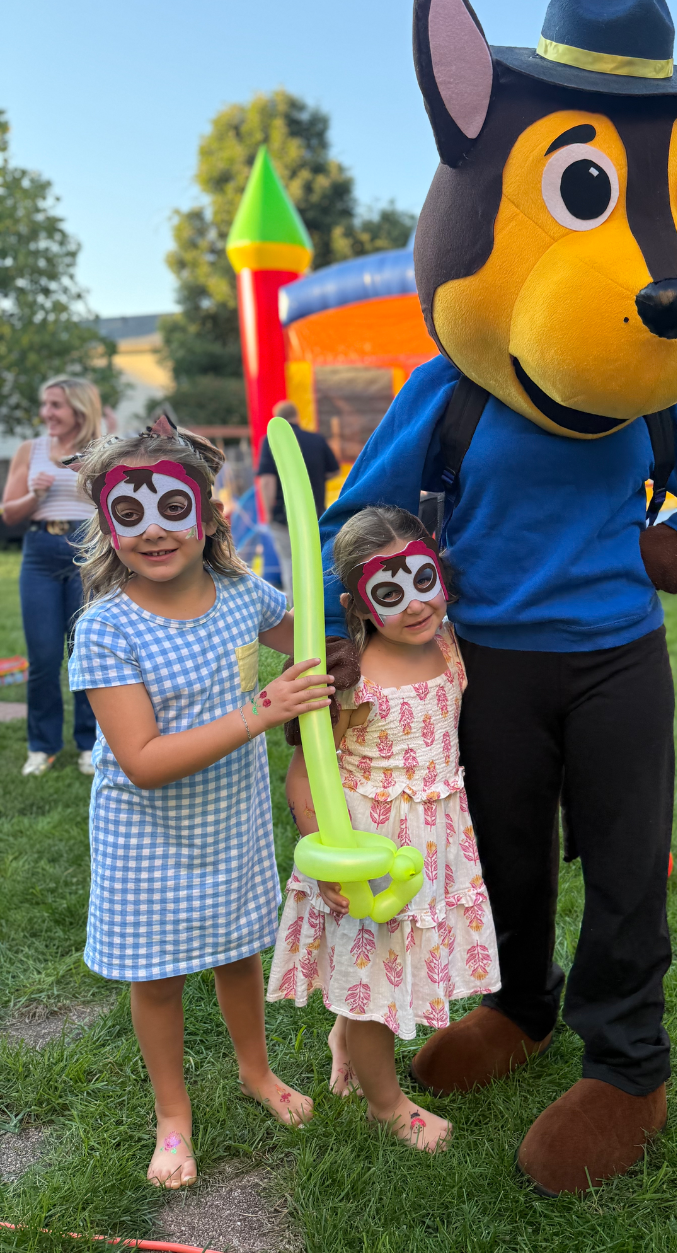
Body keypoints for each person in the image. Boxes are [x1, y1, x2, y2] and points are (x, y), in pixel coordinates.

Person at [66, 416, 334, 1189]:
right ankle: (173, 1116)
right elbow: (143, 761)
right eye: (130, 513)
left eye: (172, 507)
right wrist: (263, 711)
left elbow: (307, 638)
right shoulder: (107, 629)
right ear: (108, 526)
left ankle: (257, 1072)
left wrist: (360, 638)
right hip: (146, 834)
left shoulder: (244, 595)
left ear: (211, 516)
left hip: (230, 820)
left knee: (237, 954)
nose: (153, 530)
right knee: (157, 978)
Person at [267, 504, 500, 1152]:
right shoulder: (348, 678)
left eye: (424, 580)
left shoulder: (450, 645)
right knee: (375, 981)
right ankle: (387, 1106)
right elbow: (303, 778)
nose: (416, 604)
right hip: (369, 852)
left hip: (434, 842)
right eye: (390, 593)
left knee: (379, 970)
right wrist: (329, 860)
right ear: (357, 604)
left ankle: (345, 1037)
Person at [1, 376, 104, 776]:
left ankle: (90, 742)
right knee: (44, 657)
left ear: (79, 408)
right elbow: (9, 513)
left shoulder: (101, 450)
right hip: (40, 553)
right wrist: (36, 495)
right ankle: (41, 746)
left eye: (56, 405)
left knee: (86, 652)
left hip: (87, 551)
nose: (47, 413)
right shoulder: (31, 450)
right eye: (45, 404)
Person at [255, 401, 338, 606]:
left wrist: (268, 512)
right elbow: (334, 470)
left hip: (283, 515)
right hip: (315, 513)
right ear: (297, 416)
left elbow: (267, 480)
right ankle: (322, 607)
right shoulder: (316, 439)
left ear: (277, 418)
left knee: (290, 563)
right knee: (316, 562)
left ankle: (297, 611)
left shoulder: (272, 440)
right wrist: (316, 478)